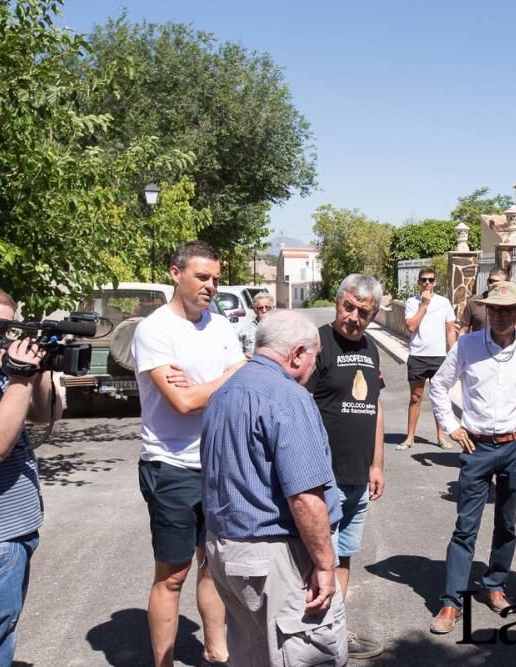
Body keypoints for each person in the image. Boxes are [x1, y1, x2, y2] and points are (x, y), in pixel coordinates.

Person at [202, 310, 348, 667]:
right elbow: (305, 496)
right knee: (305, 654)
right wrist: (325, 565)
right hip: (273, 558)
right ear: (297, 353)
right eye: (314, 357)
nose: (314, 367)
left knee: (253, 655)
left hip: (227, 552)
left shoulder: (223, 392)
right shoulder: (287, 397)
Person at [131, 241, 246, 667]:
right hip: (171, 467)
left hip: (217, 465)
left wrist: (203, 386)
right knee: (173, 574)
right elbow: (183, 404)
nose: (211, 286)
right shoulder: (155, 330)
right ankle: (162, 662)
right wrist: (229, 375)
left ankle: (216, 651)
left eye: (215, 278)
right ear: (175, 274)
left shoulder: (219, 327)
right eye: (202, 277)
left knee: (214, 565)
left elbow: (223, 393)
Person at [426, 280, 516, 634]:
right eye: (495, 310)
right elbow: (439, 385)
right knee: (465, 527)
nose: (500, 316)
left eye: (508, 310)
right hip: (476, 445)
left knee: (507, 522)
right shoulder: (468, 345)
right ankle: (450, 601)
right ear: (487, 311)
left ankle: (495, 584)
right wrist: (452, 426)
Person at [305, 274, 385, 660]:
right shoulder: (316, 344)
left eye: (363, 312)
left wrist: (378, 464)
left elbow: (375, 405)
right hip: (323, 478)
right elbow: (298, 404)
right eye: (348, 306)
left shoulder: (371, 348)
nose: (354, 317)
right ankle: (313, 639)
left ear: (373, 315)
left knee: (345, 556)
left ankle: (336, 631)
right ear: (338, 301)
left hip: (358, 477)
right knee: (319, 560)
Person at [0, 286, 63, 666]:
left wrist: (42, 369)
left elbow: (44, 414)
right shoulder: (5, 373)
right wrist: (19, 377)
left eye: (7, 327)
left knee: (2, 633)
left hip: (15, 532)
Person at [398, 267, 457, 451]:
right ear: (418, 282)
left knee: (439, 398)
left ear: (435, 282)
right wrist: (424, 305)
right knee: (416, 397)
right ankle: (410, 437)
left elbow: (450, 330)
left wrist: (454, 354)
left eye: (431, 280)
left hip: (439, 357)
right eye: (424, 280)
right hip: (418, 356)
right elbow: (411, 327)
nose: (427, 283)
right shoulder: (411, 302)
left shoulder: (444, 302)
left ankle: (441, 437)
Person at [459, 265, 507, 335]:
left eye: (498, 283)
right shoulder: (474, 302)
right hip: (479, 345)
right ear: (487, 282)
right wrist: (461, 343)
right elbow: (464, 330)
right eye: (491, 281)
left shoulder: (510, 304)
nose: (493, 285)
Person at [237, 292, 275, 356]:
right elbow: (236, 354)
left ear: (273, 308)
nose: (264, 311)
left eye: (268, 307)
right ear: (254, 310)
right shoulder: (244, 330)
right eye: (260, 308)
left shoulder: (281, 329)